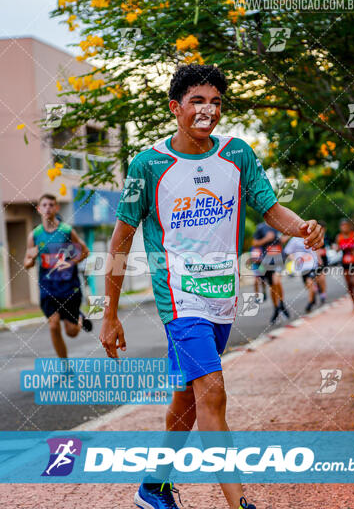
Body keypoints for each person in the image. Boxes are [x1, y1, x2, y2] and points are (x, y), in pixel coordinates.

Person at [99, 64, 324, 509]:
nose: (208, 110)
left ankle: (153, 486)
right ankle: (239, 504)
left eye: (216, 101)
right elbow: (120, 241)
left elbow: (270, 207)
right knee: (213, 393)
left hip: (223, 297)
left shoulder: (236, 154)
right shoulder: (149, 165)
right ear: (175, 108)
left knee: (185, 401)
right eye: (197, 101)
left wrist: (302, 228)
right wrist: (109, 314)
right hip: (178, 299)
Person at [24, 193, 91, 358]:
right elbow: (27, 262)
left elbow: (84, 251)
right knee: (53, 325)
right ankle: (65, 366)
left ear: (57, 208)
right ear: (39, 209)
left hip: (69, 286)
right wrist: (30, 260)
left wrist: (71, 263)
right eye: (44, 205)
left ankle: (79, 319)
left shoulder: (67, 231)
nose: (48, 208)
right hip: (48, 287)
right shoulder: (34, 235)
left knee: (72, 332)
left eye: (51, 205)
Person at [252, 222, 290, 325]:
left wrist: (285, 237)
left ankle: (281, 304)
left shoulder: (278, 225)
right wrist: (266, 239)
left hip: (278, 258)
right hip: (267, 260)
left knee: (276, 281)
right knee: (272, 286)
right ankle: (277, 308)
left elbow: (285, 236)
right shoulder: (261, 227)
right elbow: (254, 243)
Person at [284, 236, 319, 313]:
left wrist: (319, 260)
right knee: (307, 285)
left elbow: (317, 249)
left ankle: (310, 304)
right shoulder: (294, 240)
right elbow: (288, 252)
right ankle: (313, 294)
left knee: (310, 282)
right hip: (302, 267)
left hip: (312, 264)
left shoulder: (311, 237)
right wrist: (295, 259)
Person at [335, 218, 354, 312]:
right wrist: (336, 248)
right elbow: (337, 249)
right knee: (349, 284)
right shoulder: (339, 237)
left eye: (346, 225)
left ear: (349, 226)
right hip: (345, 262)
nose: (344, 227)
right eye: (342, 226)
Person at [315, 220, 328, 304]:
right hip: (316, 260)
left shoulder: (326, 237)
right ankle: (319, 290)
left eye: (323, 228)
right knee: (318, 279)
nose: (322, 230)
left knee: (322, 278)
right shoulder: (315, 237)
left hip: (324, 259)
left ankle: (323, 294)